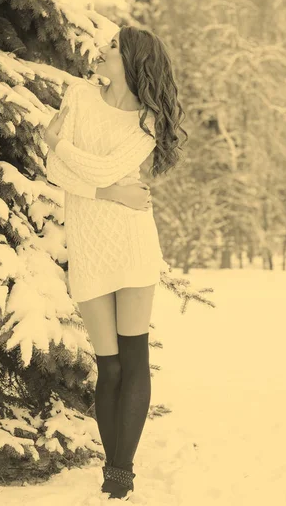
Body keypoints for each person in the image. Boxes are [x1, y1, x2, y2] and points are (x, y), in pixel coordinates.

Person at [44, 25, 187, 500]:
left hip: (131, 243)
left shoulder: (147, 120)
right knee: (108, 365)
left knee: (134, 356)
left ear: (132, 60)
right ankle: (116, 464)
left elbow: (91, 165)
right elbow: (57, 173)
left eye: (111, 46)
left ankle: (119, 471)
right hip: (88, 240)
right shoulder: (79, 96)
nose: (100, 51)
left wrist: (56, 143)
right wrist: (110, 193)